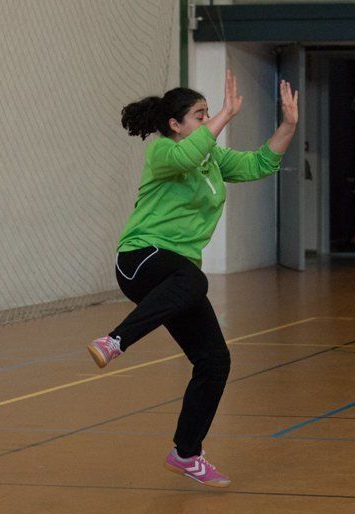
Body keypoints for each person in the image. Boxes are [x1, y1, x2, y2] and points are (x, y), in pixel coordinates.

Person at [87, 70, 298, 488]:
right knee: (194, 279)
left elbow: (259, 163)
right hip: (141, 258)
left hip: (177, 276)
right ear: (175, 124)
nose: (207, 123)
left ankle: (186, 452)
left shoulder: (212, 159)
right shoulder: (163, 152)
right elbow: (188, 155)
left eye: (207, 116)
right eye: (199, 116)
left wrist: (288, 125)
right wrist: (224, 113)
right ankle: (115, 341)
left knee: (215, 361)